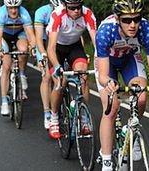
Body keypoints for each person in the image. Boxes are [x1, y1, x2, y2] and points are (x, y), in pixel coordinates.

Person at [95, 0, 149, 170]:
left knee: (141, 98)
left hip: (129, 60)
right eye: (126, 20)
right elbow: (103, 76)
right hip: (107, 63)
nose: (132, 24)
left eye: (136, 18)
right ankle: (106, 160)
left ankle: (131, 132)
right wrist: (109, 84)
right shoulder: (105, 31)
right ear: (118, 19)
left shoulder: (146, 30)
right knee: (111, 108)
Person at [46, 0, 97, 139]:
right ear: (65, 6)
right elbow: (50, 49)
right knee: (59, 82)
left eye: (78, 7)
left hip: (74, 47)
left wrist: (100, 62)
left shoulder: (87, 14)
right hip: (56, 48)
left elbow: (97, 43)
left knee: (84, 76)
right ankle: (54, 118)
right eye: (72, 8)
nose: (76, 11)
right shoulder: (57, 15)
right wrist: (57, 67)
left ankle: (84, 117)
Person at [0, 0, 36, 116]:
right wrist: (0, 50)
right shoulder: (1, 13)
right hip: (5, 36)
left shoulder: (24, 13)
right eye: (11, 8)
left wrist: (33, 47)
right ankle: (4, 102)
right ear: (6, 7)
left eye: (16, 8)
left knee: (23, 50)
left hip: (19, 34)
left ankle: (22, 74)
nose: (13, 10)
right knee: (6, 67)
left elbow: (31, 34)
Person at [34, 0, 61, 129]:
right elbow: (39, 39)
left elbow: (76, 35)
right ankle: (47, 112)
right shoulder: (41, 13)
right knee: (47, 77)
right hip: (44, 45)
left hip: (60, 44)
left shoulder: (67, 12)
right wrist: (43, 54)